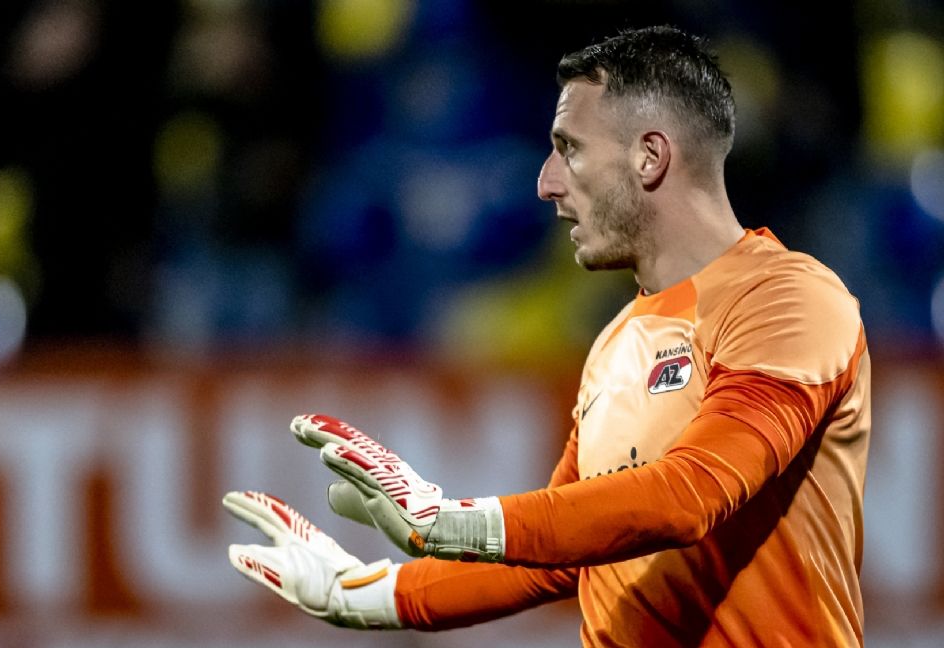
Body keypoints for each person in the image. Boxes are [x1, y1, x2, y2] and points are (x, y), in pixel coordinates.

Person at [224, 25, 871, 646]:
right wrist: (366, 594)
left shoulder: (789, 300)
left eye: (571, 150)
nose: (546, 182)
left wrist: (452, 521)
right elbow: (560, 552)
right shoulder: (618, 342)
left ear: (650, 157)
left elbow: (691, 496)